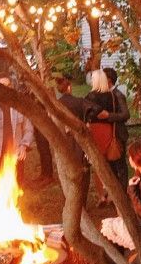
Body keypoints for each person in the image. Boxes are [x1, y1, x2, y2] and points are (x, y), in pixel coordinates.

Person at [55, 74, 98, 205]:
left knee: (66, 171)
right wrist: (87, 122)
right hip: (78, 142)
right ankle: (82, 203)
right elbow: (95, 109)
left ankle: (68, 201)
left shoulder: (56, 104)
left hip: (62, 141)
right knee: (83, 172)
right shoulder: (79, 101)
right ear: (69, 87)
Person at [85, 69, 116, 204]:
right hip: (108, 129)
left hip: (95, 130)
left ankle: (101, 195)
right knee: (109, 164)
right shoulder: (111, 96)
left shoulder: (90, 97)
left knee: (98, 164)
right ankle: (111, 195)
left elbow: (87, 115)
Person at [101, 67, 130, 189]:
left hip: (118, 135)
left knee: (120, 166)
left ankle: (123, 193)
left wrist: (109, 116)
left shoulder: (118, 95)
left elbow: (126, 114)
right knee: (110, 166)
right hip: (108, 135)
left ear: (109, 80)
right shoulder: (104, 94)